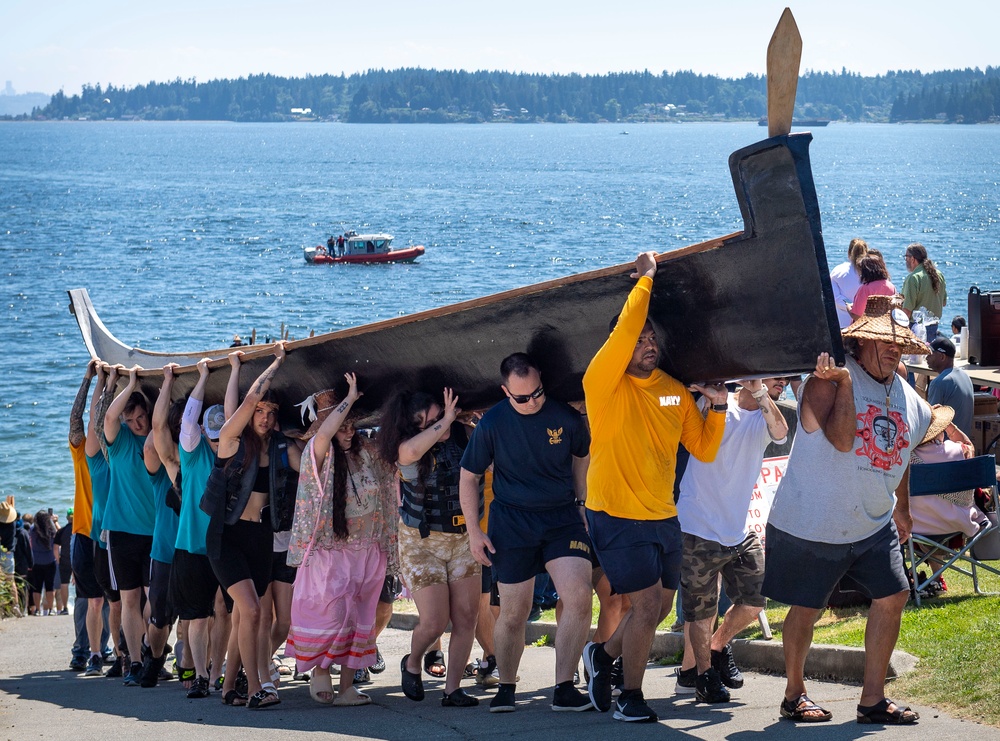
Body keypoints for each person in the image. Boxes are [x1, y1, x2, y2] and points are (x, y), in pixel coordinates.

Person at [762, 294, 931, 725]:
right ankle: (793, 694)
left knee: (894, 595)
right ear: (860, 341)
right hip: (815, 520)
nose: (893, 349)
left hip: (872, 522)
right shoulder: (827, 381)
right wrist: (849, 384)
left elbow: (904, 449)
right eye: (884, 341)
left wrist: (902, 508)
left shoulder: (910, 396)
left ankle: (872, 699)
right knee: (808, 607)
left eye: (898, 343)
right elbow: (841, 439)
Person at [581, 251, 727, 723]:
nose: (647, 342)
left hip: (662, 515)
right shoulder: (602, 382)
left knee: (661, 608)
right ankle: (631, 697)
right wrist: (645, 279)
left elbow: (703, 449)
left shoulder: (673, 391)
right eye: (638, 337)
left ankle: (601, 658)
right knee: (644, 604)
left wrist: (720, 408)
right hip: (615, 514)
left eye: (651, 338)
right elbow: (624, 329)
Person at [459, 352, 594, 713]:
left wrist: (582, 502)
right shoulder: (493, 424)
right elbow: (469, 476)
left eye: (537, 392)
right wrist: (475, 532)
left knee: (580, 596)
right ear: (506, 392)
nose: (533, 401)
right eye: (522, 397)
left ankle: (564, 686)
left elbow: (582, 454)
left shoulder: (564, 416)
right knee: (515, 612)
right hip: (511, 523)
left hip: (561, 518)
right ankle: (506, 685)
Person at [674, 378, 788, 703]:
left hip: (737, 531)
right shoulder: (714, 403)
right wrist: (736, 390)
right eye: (774, 375)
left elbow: (781, 433)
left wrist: (761, 390)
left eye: (784, 378)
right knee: (700, 611)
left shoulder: (766, 416)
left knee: (756, 600)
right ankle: (704, 676)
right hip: (697, 527)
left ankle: (717, 645)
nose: (781, 381)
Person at [286, 375, 399, 706]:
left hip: (369, 550)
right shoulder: (318, 455)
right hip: (332, 551)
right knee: (330, 613)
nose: (349, 431)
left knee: (361, 616)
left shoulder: (368, 452)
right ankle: (320, 672)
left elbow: (398, 446)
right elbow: (323, 433)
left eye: (353, 424)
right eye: (343, 425)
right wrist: (348, 398)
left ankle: (348, 685)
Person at [203, 345, 299, 709]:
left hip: (260, 536)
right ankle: (257, 686)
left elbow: (309, 467)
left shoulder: (279, 448)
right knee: (254, 612)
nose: (263, 416)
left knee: (248, 614)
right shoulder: (230, 442)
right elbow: (244, 403)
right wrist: (275, 363)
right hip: (226, 537)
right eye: (259, 410)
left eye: (270, 412)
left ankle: (229, 686)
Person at [377, 388, 481, 707]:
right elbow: (408, 453)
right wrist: (446, 420)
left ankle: (452, 690)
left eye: (440, 414)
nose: (440, 423)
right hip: (420, 542)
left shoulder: (463, 434)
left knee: (466, 617)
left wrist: (475, 424)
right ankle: (413, 661)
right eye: (429, 421)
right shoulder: (407, 448)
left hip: (463, 538)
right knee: (435, 621)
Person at [170, 358, 228, 699]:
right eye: (214, 434)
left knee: (221, 611)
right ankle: (203, 673)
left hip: (221, 546)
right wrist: (203, 377)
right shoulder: (191, 452)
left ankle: (217, 670)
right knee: (195, 615)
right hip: (191, 544)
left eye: (224, 434)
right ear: (206, 431)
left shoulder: (231, 453)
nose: (218, 441)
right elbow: (189, 419)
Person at [102, 365, 157, 684]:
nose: (136, 425)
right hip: (121, 532)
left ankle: (151, 650)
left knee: (155, 600)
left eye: (140, 418)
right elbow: (108, 418)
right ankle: (135, 662)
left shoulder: (156, 436)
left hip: (153, 533)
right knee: (130, 599)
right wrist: (130, 382)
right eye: (131, 420)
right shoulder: (119, 439)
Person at [926, 338, 974, 438]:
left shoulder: (938, 383)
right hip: (964, 443)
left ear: (942, 357)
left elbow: (930, 422)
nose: (926, 357)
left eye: (930, 353)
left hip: (947, 447)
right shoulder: (965, 376)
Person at [901, 242, 947, 339]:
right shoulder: (939, 275)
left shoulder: (913, 278)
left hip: (916, 329)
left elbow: (907, 311)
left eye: (906, 257)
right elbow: (943, 303)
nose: (906, 260)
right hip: (933, 327)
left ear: (913, 259)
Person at [829, 238, 869, 329]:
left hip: (842, 323)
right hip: (866, 326)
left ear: (849, 252)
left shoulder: (837, 271)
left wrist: (851, 305)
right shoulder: (872, 272)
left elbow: (834, 298)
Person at [849, 250, 896, 322]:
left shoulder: (865, 289)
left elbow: (857, 316)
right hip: (884, 327)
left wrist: (848, 308)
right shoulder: (891, 287)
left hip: (866, 329)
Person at [28, 510, 58, 616]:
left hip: (36, 561)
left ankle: (37, 610)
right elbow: (58, 538)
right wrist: (54, 521)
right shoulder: (51, 530)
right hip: (50, 560)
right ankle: (50, 609)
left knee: (37, 587)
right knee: (50, 586)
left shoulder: (32, 529)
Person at [0, 496, 23, 617]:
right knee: (11, 581)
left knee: (1, 581)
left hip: (0, 552)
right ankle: (15, 606)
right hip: (9, 555)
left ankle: (3, 607)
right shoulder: (13, 524)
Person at [55, 511, 73, 616]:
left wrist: (58, 561)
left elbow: (56, 548)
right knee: (80, 583)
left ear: (67, 518)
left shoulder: (61, 531)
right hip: (77, 559)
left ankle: (65, 607)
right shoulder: (79, 530)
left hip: (65, 560)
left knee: (64, 584)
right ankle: (82, 603)